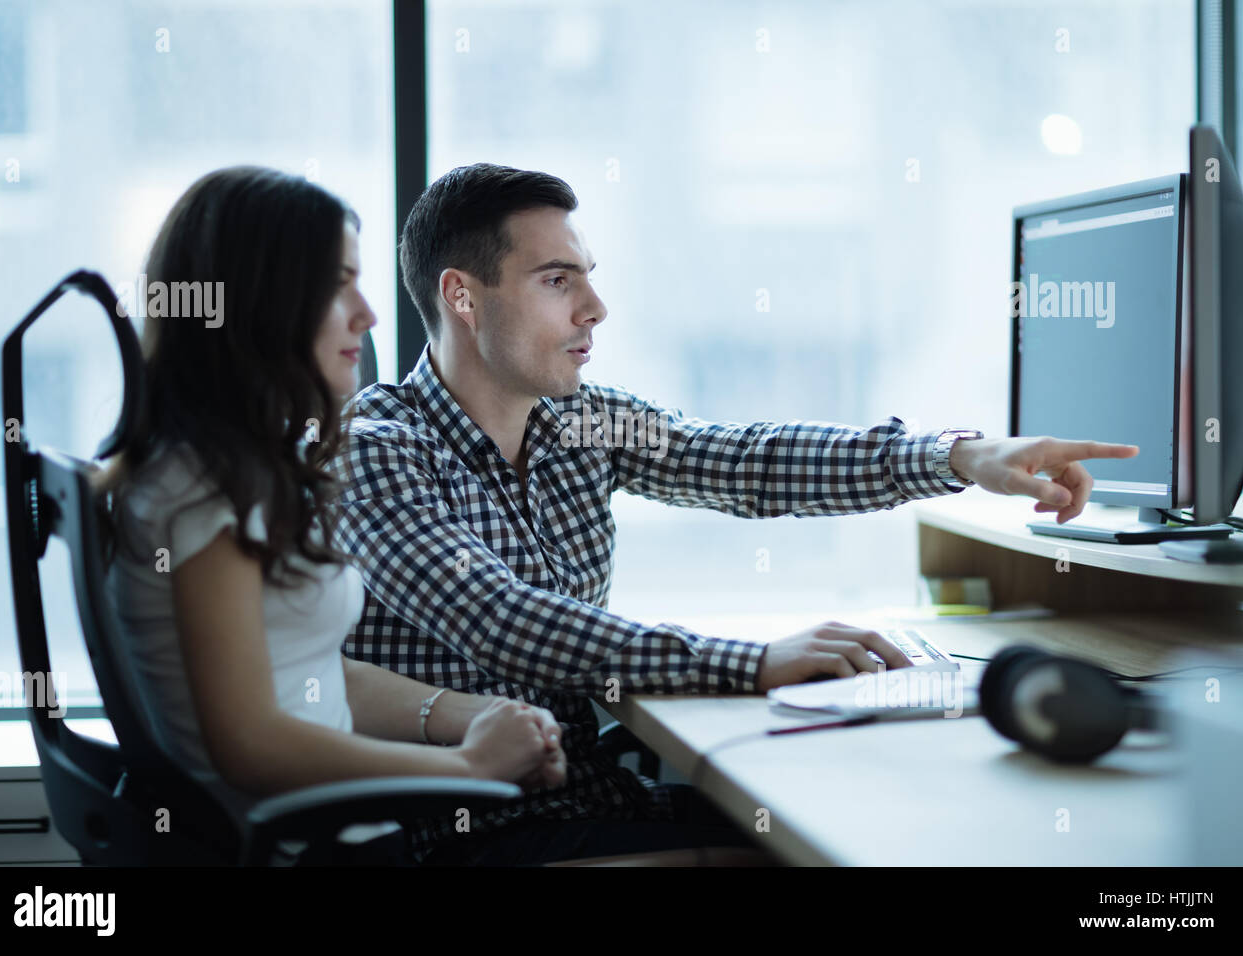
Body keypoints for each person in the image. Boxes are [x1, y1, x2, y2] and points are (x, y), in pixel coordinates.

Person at [334, 162, 1141, 866]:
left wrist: (956, 458)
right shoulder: (379, 447)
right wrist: (751, 662)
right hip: (468, 835)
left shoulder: (579, 421)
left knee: (875, 818)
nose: (595, 307)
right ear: (462, 297)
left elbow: (744, 459)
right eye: (558, 280)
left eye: (588, 274)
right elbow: (503, 621)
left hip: (590, 802)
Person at [100, 166, 565, 866]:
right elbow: (251, 742)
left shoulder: (217, 467)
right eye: (337, 284)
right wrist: (473, 772)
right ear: (264, 304)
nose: (368, 314)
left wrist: (467, 717)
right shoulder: (202, 492)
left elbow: (299, 668)